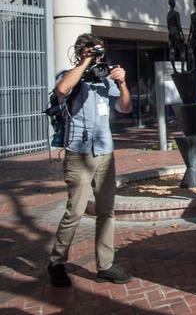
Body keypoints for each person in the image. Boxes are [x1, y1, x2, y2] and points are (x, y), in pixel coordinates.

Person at [48, 33, 133, 287]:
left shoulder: (104, 80)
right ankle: (57, 263)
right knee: (75, 211)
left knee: (107, 211)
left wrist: (122, 83)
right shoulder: (69, 75)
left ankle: (105, 265)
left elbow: (126, 108)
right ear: (79, 52)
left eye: (98, 52)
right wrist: (84, 62)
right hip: (78, 153)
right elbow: (62, 89)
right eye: (90, 51)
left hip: (105, 153)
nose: (96, 56)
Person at [167, 0, 185, 73]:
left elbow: (168, 26)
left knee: (172, 51)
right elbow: (179, 25)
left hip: (170, 33)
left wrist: (171, 31)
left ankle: (174, 70)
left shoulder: (168, 14)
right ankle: (182, 69)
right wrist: (181, 34)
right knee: (183, 50)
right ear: (173, 4)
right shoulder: (176, 13)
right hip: (176, 33)